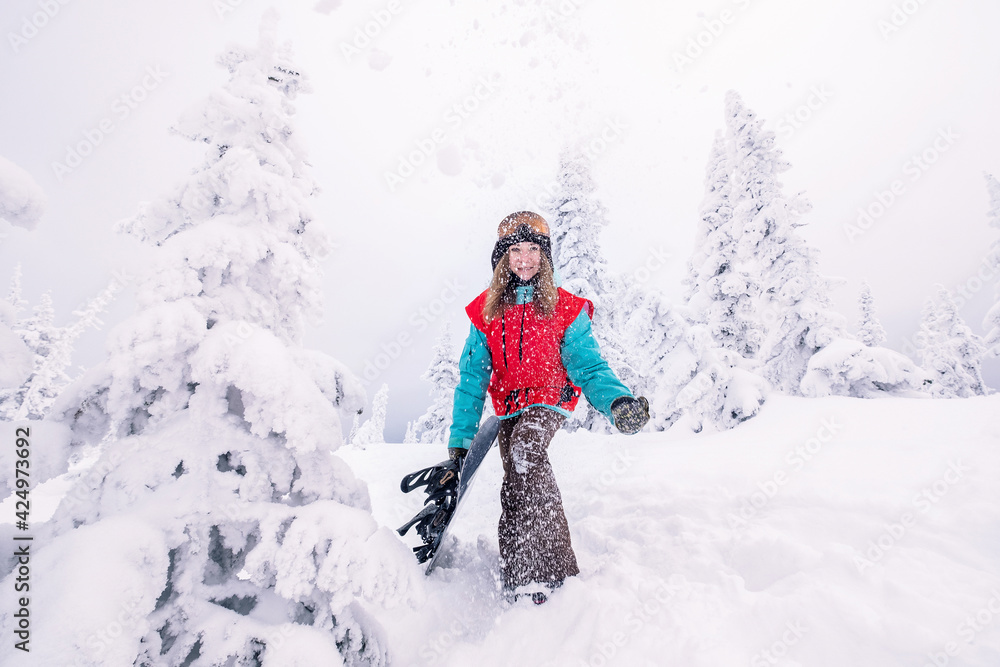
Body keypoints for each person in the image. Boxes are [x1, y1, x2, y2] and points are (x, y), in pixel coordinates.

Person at [447, 210, 650, 603]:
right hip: (509, 405)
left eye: (533, 251)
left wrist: (617, 400)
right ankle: (519, 568)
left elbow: (588, 365)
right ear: (502, 259)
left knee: (527, 451)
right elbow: (472, 379)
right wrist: (460, 444)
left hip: (549, 397)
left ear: (545, 258)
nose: (524, 259)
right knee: (516, 476)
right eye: (516, 251)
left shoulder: (564, 309)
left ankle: (553, 573)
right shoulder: (486, 313)